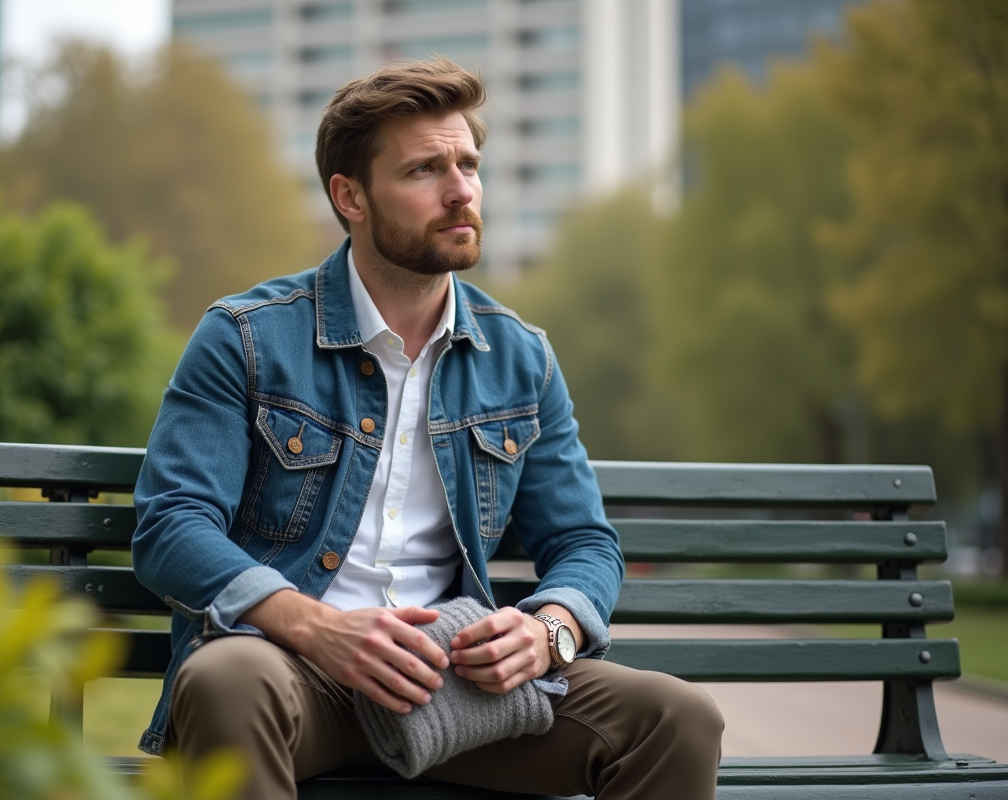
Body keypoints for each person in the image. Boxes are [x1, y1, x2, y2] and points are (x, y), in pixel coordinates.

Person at [132, 57, 723, 799]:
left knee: (680, 718)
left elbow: (583, 543)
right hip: (291, 673)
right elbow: (171, 526)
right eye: (423, 171)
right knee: (226, 677)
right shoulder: (245, 338)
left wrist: (549, 631)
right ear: (350, 196)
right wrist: (317, 630)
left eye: (468, 164)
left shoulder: (522, 358)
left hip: (455, 688)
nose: (460, 191)